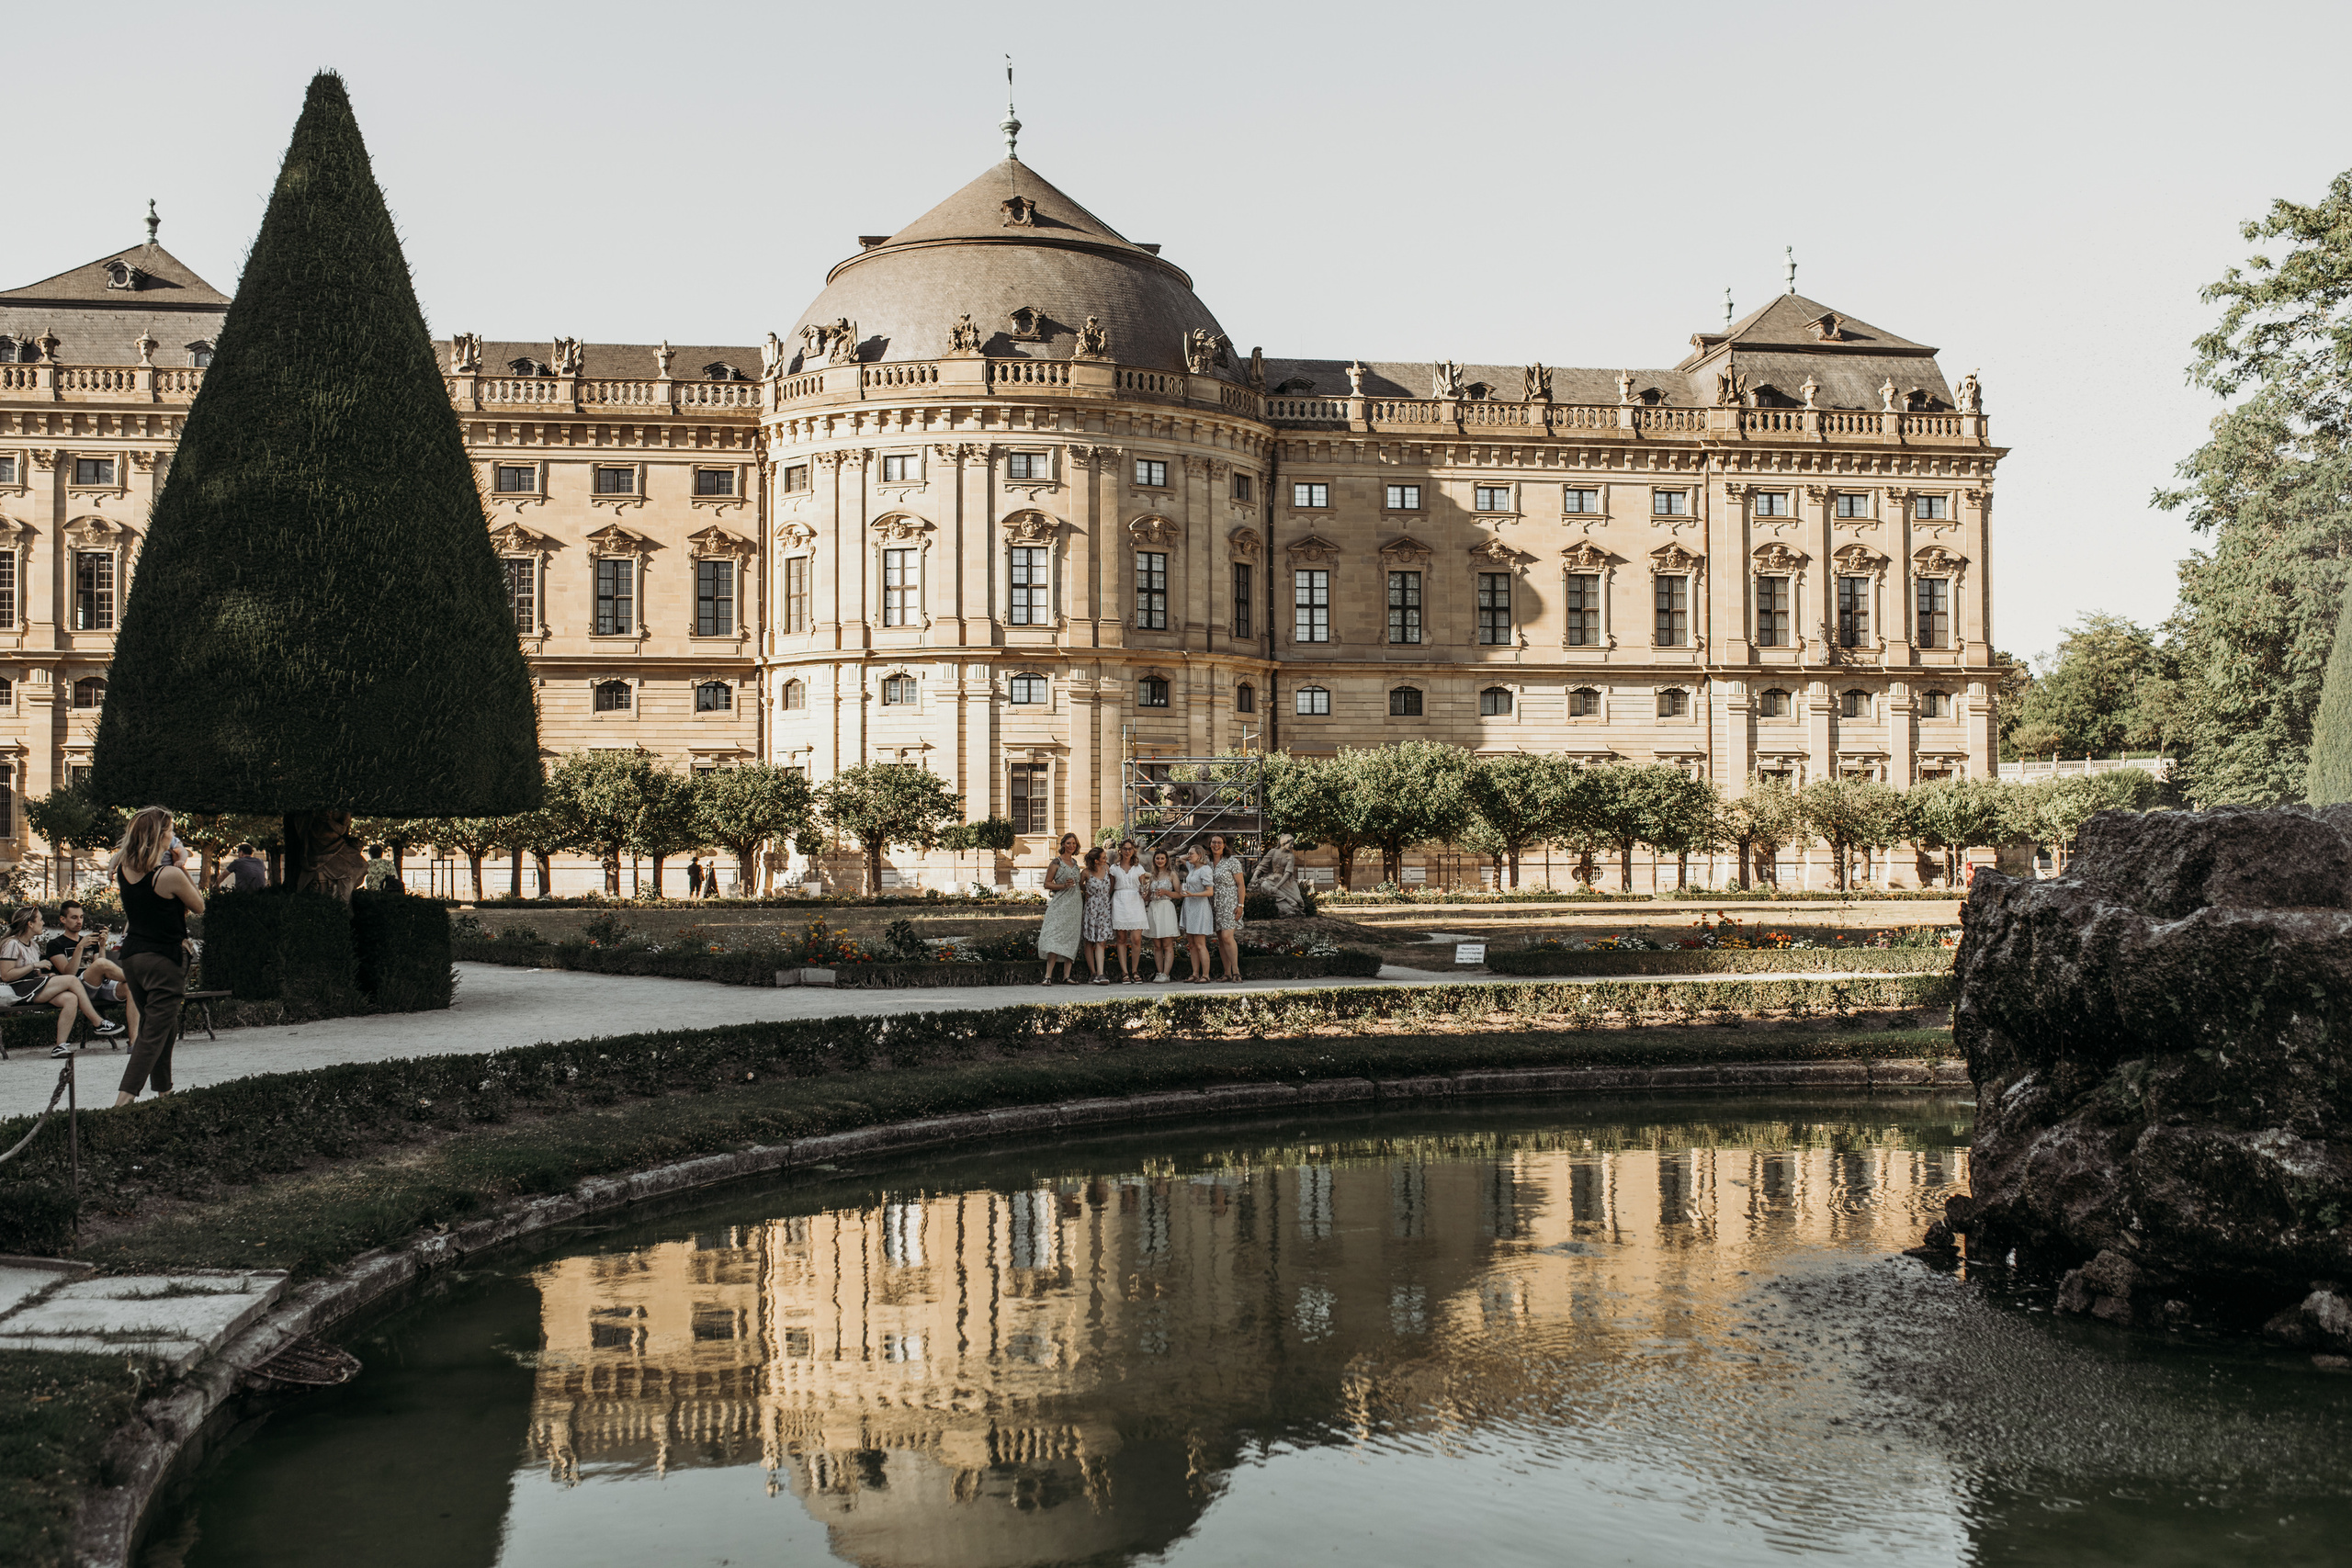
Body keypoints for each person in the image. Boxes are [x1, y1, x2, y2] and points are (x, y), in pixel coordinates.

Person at [110, 807, 204, 1107]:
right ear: (160, 835)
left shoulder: (124, 868)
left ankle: (164, 1094)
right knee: (151, 1034)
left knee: (164, 1024)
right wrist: (182, 865)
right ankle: (121, 1105)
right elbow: (200, 904)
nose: (173, 835)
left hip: (133, 958)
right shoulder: (170, 875)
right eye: (171, 830)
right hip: (165, 959)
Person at [1, 907, 124, 1055]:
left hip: (32, 988)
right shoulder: (11, 944)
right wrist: (34, 965)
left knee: (70, 998)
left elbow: (35, 973)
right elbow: (6, 975)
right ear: (30, 924)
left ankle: (60, 1047)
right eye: (40, 919)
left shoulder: (33, 945)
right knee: (72, 980)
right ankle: (98, 1022)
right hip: (18, 990)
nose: (43, 922)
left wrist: (47, 976)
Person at [47, 899, 135, 1042]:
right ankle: (139, 978)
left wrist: (101, 946)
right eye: (74, 917)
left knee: (131, 988)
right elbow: (68, 973)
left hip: (98, 985)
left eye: (81, 917)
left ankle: (134, 1041)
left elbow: (101, 967)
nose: (79, 921)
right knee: (102, 965)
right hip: (78, 988)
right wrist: (80, 948)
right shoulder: (55, 944)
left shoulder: (90, 941)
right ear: (63, 919)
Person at [1036, 832, 1084, 984]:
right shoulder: (1056, 862)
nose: (1071, 846)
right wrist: (1063, 886)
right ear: (1063, 844)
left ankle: (1067, 976)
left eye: (1074, 844)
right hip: (1060, 901)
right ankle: (1048, 976)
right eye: (1069, 843)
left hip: (1075, 902)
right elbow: (1047, 884)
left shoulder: (1076, 863)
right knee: (1055, 935)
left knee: (1071, 936)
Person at [1207, 832, 1248, 982]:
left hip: (1230, 903)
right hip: (1213, 904)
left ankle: (1236, 972)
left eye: (1219, 843)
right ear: (1209, 845)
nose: (1216, 845)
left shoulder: (1232, 861)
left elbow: (1241, 884)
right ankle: (1227, 973)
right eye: (1213, 842)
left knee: (1227, 936)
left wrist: (1240, 905)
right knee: (1220, 939)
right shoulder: (1207, 862)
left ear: (1224, 845)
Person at [1108, 839, 1148, 981]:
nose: (1127, 851)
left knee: (1136, 939)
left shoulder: (1139, 868)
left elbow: (1144, 887)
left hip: (1135, 902)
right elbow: (1110, 888)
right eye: (1125, 849)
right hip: (1119, 901)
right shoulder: (1114, 868)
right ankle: (1125, 972)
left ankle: (1135, 971)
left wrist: (1145, 894)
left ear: (1134, 850)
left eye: (1130, 849)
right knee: (1121, 938)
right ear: (1120, 850)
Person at [1178, 845, 1216, 983]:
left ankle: (1205, 975)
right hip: (1189, 906)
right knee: (1192, 943)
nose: (1188, 856)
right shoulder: (1192, 868)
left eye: (1191, 854)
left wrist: (1193, 894)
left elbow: (1210, 891)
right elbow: (1180, 858)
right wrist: (1189, 855)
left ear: (1199, 855)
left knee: (1200, 943)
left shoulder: (1205, 870)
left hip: (1200, 906)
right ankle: (1195, 973)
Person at [1144, 848, 1181, 982]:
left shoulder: (1172, 874)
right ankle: (1159, 972)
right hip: (1154, 908)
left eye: (1162, 858)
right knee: (1157, 944)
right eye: (1157, 858)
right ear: (1154, 860)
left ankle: (1166, 974)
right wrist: (1143, 895)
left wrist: (1166, 892)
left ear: (1166, 860)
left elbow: (1179, 894)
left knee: (1167, 943)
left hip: (1166, 908)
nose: (1159, 861)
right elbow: (1148, 897)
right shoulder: (1152, 876)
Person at [1080, 847, 1114, 985]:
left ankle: (1101, 973)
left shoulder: (1107, 868)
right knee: (1089, 940)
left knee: (1101, 940)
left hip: (1105, 907)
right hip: (1091, 908)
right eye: (1104, 857)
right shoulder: (1086, 872)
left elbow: (1111, 883)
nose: (1106, 859)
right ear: (1096, 860)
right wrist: (1085, 891)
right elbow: (1079, 885)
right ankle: (1092, 973)